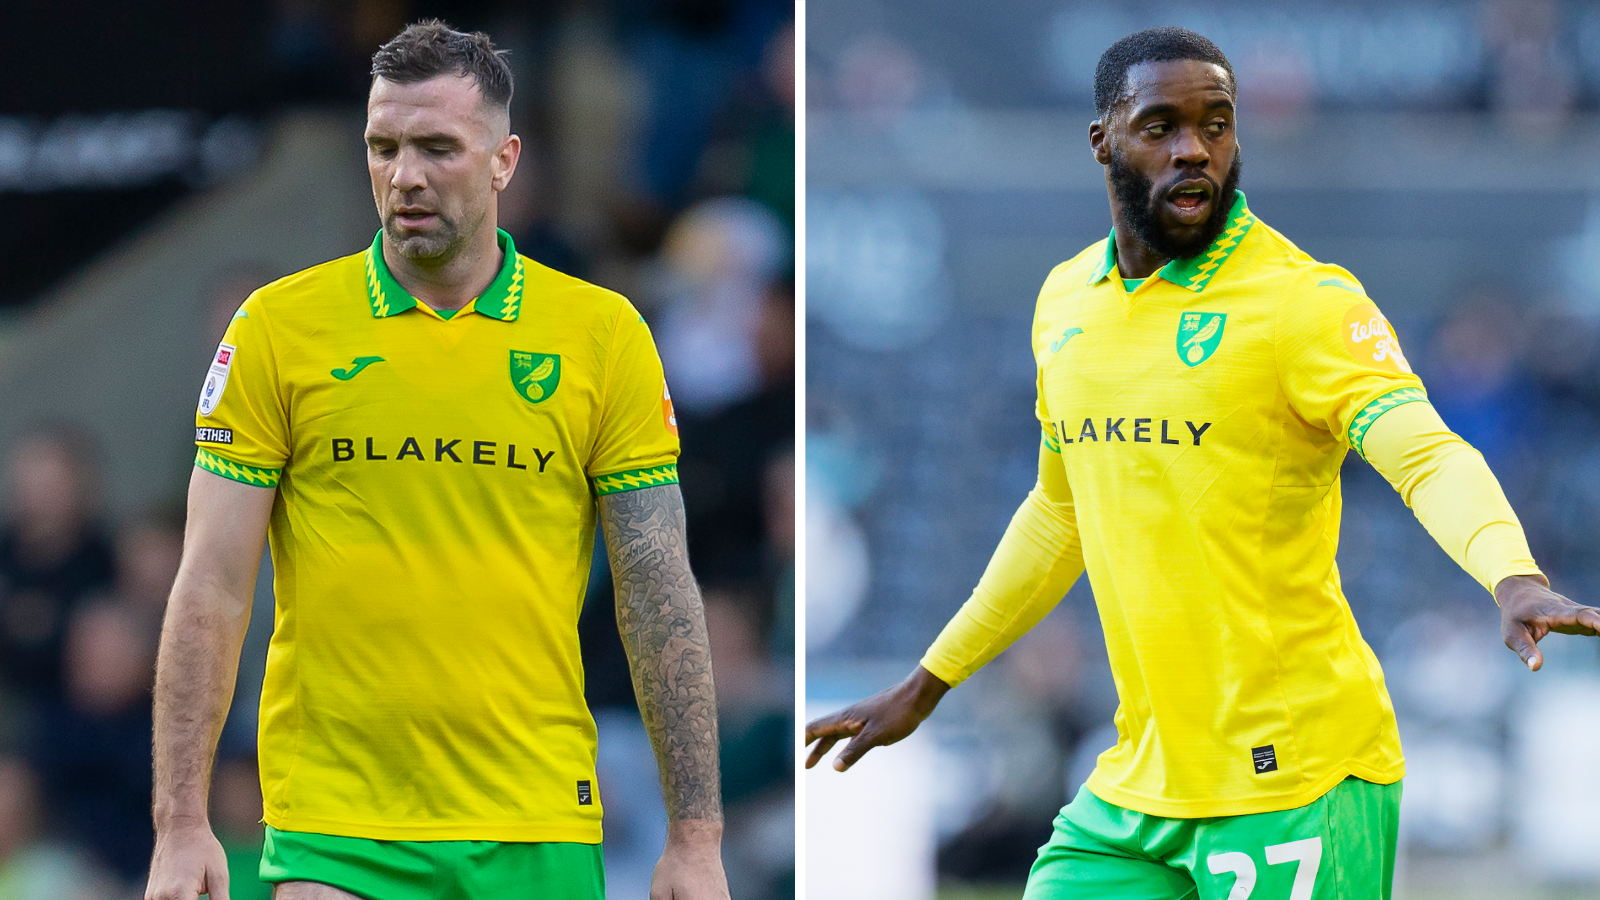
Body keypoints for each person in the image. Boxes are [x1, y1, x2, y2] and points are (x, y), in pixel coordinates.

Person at [804, 27, 1600, 899]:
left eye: (1216, 124)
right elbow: (1059, 511)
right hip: (1139, 786)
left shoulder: (1302, 302)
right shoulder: (1066, 301)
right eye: (1161, 126)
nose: (1195, 150)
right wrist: (930, 682)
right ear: (1103, 139)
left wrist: (1511, 573)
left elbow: (1425, 451)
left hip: (1295, 777)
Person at [145, 21, 727, 900]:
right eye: (383, 147)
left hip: (535, 819)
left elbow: (658, 591)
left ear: (504, 160)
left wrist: (696, 835)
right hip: (338, 830)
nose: (404, 175)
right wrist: (181, 821)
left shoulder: (604, 338)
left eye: (437, 148)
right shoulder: (278, 329)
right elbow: (212, 585)